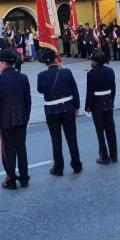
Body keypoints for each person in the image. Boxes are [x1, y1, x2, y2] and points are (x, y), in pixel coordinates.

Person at [36, 48, 81, 176]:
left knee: (56, 140)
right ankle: (76, 164)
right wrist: (76, 106)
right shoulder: (66, 72)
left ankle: (58, 167)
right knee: (72, 137)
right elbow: (74, 90)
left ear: (46, 63)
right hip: (67, 107)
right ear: (56, 59)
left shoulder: (41, 76)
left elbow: (40, 90)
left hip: (51, 110)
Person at [0, 50, 31, 188]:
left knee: (8, 150)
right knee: (21, 148)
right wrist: (27, 117)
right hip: (21, 118)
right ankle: (24, 177)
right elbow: (28, 100)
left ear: (3, 64)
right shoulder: (23, 77)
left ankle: (11, 179)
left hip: (6, 120)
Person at [85, 49, 118, 164]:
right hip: (108, 102)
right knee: (111, 130)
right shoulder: (110, 71)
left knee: (100, 132)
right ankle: (114, 155)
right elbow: (113, 89)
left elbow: (89, 92)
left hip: (97, 104)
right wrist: (111, 101)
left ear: (95, 61)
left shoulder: (91, 73)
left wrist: (88, 107)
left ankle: (104, 156)